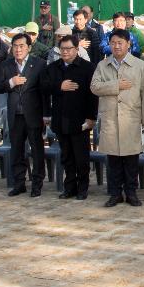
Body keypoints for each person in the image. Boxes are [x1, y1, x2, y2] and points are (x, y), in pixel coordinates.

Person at [90, 29, 144, 208]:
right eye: (113, 43)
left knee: (131, 160)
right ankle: (115, 193)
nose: (116, 46)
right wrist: (116, 85)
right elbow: (94, 87)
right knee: (113, 160)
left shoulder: (140, 65)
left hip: (132, 118)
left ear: (128, 44)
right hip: (110, 118)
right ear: (109, 44)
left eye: (120, 42)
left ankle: (131, 193)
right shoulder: (103, 65)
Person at [41, 35, 98, 200]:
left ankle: (83, 188)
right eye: (62, 49)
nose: (65, 52)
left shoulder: (87, 67)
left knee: (81, 157)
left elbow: (93, 95)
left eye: (69, 49)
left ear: (76, 49)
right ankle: (69, 187)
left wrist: (91, 118)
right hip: (60, 118)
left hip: (80, 119)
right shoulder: (53, 67)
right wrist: (59, 86)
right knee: (66, 157)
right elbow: (44, 87)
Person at [0, 32, 47, 196]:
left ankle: (37, 183)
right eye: (15, 46)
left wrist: (46, 114)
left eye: (22, 46)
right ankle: (19, 182)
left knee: (36, 149)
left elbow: (44, 92)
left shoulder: (39, 64)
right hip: (15, 115)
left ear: (29, 47)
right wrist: (11, 82)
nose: (18, 49)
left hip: (33, 113)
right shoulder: (6, 65)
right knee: (17, 149)